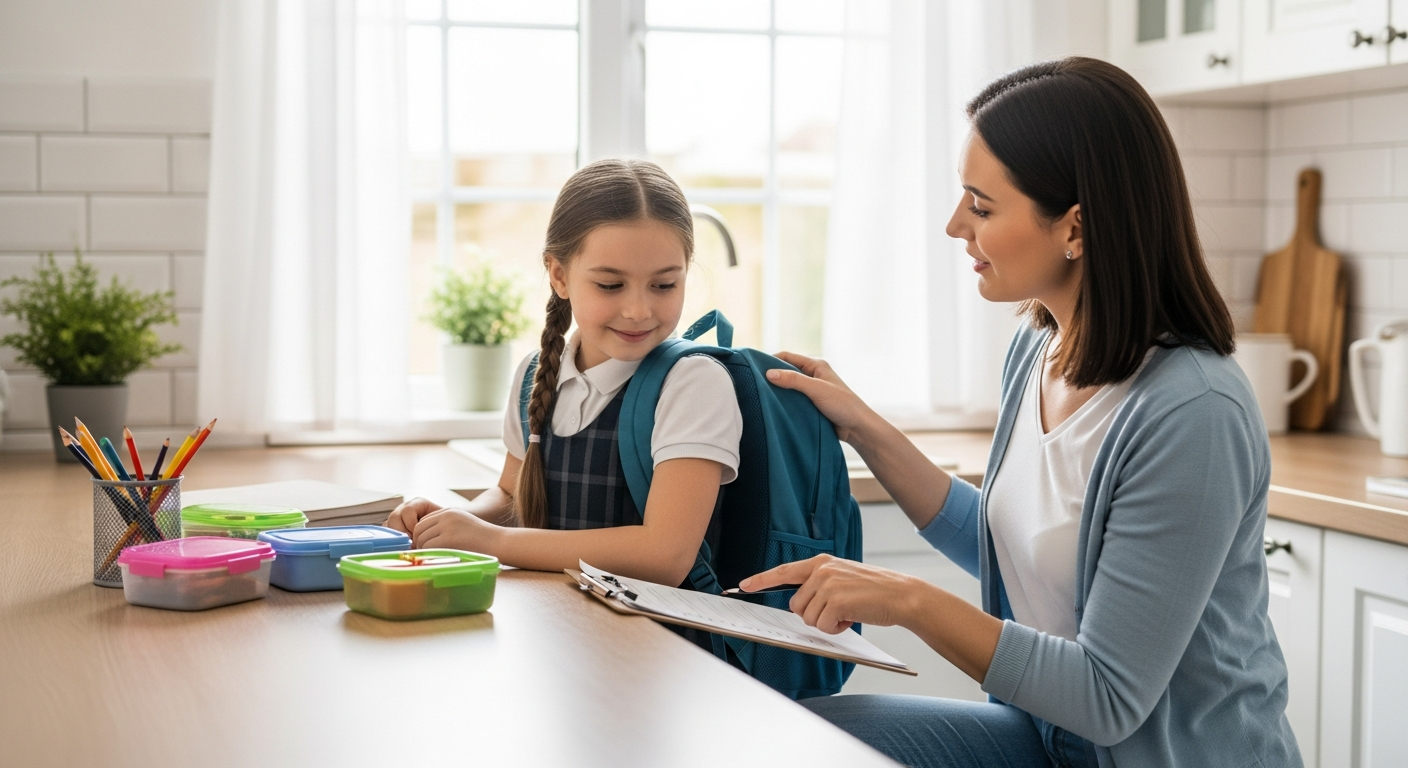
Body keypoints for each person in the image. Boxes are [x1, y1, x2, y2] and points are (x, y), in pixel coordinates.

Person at [740, 57, 1303, 768]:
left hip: (1155, 757)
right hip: (1050, 738)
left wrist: (910, 601)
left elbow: (1107, 698)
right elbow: (1013, 548)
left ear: (1076, 226)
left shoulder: (1193, 413)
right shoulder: (1037, 347)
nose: (954, 226)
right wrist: (862, 425)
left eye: (980, 206)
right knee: (805, 736)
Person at [386, 159, 742, 607]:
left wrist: (491, 540)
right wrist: (454, 521)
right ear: (559, 275)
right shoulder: (538, 373)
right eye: (611, 285)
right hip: (562, 624)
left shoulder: (693, 383)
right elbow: (512, 493)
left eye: (664, 284)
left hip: (660, 647)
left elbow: (666, 555)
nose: (638, 309)